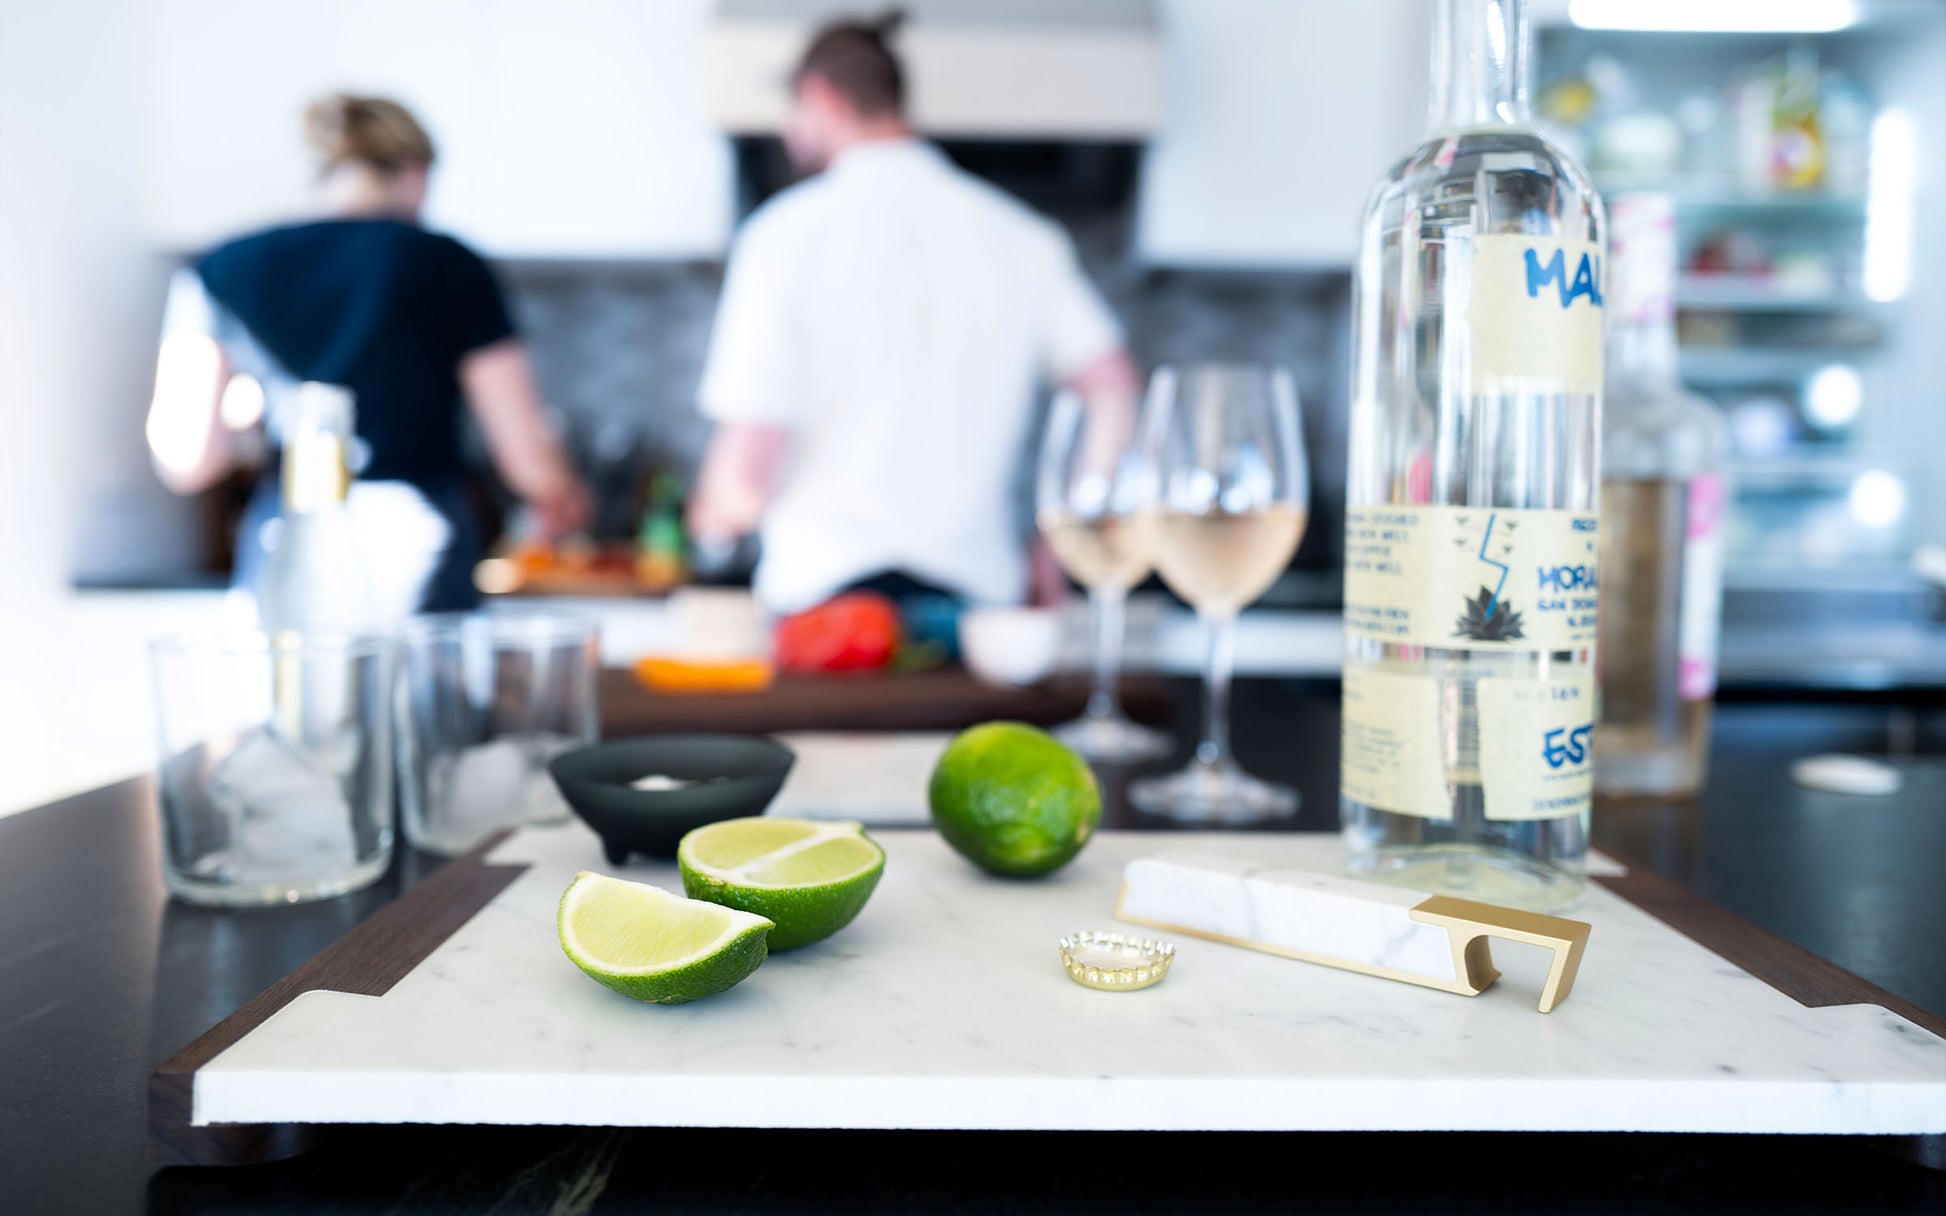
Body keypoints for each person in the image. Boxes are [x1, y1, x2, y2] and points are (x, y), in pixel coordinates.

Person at [686, 11, 1140, 615]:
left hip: (826, 615)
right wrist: (1064, 540)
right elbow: (1114, 387)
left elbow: (744, 480)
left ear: (820, 98)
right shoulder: (1022, 237)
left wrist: (708, 516)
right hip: (974, 612)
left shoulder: (782, 237)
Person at [145, 93, 590, 616]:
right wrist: (566, 496)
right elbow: (526, 456)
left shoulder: (222, 266)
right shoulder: (447, 263)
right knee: (415, 699)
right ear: (413, 171)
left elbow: (187, 459)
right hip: (418, 538)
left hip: (286, 533)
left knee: (292, 692)